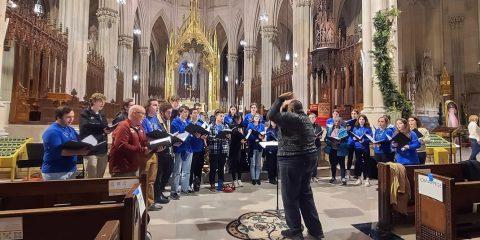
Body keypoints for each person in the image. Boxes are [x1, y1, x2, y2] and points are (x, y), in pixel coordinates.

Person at [267, 92, 324, 240]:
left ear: (291, 110)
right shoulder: (305, 118)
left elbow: (272, 114)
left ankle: (295, 230)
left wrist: (280, 99)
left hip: (292, 160)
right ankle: (316, 230)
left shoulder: (291, 118)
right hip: (308, 158)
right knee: (305, 195)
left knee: (290, 196)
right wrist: (287, 106)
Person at [42, 106, 88, 180]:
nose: (71, 119)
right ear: (58, 117)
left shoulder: (70, 129)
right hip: (56, 171)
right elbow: (59, 152)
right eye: (68, 117)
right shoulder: (52, 131)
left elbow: (79, 141)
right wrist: (80, 152)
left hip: (70, 170)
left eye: (73, 117)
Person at [109, 105, 149, 177]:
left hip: (135, 166)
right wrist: (141, 149)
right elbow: (121, 145)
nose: (144, 116)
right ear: (134, 113)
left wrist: (153, 147)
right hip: (123, 168)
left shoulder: (139, 127)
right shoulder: (123, 126)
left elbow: (144, 142)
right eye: (142, 113)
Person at [140, 98, 165, 210]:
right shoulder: (144, 119)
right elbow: (144, 135)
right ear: (148, 106)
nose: (157, 107)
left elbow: (160, 132)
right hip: (146, 153)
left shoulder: (155, 119)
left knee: (151, 180)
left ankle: (150, 202)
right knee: (144, 179)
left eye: (157, 105)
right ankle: (142, 203)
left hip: (155, 152)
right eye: (154, 105)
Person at [79, 93, 109, 179]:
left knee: (100, 177)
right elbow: (85, 127)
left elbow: (105, 127)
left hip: (102, 149)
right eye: (100, 101)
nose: (102, 103)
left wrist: (107, 130)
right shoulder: (85, 113)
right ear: (93, 102)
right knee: (91, 177)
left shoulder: (102, 114)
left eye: (104, 101)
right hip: (91, 150)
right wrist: (101, 128)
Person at [170, 106, 193, 199]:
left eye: (187, 112)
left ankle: (185, 188)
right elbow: (174, 135)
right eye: (184, 112)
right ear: (180, 112)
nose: (186, 114)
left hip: (188, 148)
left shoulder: (188, 122)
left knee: (186, 171)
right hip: (179, 149)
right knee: (177, 171)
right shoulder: (175, 122)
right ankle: (174, 191)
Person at [155, 101, 174, 202]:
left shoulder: (167, 120)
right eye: (168, 112)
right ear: (162, 112)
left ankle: (161, 191)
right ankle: (157, 195)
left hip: (168, 150)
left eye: (171, 112)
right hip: (160, 151)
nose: (170, 115)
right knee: (159, 174)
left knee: (168, 170)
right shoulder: (157, 121)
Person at [207, 110, 230, 191]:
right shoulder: (211, 126)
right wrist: (216, 137)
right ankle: (212, 184)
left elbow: (229, 137)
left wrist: (228, 136)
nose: (222, 117)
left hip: (223, 149)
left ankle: (220, 183)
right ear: (216, 116)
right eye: (220, 116)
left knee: (221, 167)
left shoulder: (225, 126)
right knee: (213, 168)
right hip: (214, 149)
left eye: (223, 116)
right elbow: (209, 137)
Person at [325, 117, 349, 185]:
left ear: (341, 122)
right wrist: (330, 141)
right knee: (333, 164)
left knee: (342, 164)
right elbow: (326, 139)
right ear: (333, 122)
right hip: (332, 149)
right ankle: (333, 177)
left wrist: (340, 143)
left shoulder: (343, 130)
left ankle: (343, 178)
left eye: (339, 121)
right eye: (336, 121)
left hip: (340, 149)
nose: (337, 122)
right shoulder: (330, 129)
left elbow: (346, 141)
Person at [352, 115, 373, 187]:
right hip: (357, 147)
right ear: (358, 120)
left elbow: (370, 138)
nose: (361, 120)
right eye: (360, 119)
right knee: (358, 162)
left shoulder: (368, 128)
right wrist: (354, 139)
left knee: (367, 162)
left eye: (363, 119)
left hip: (365, 147)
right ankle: (358, 178)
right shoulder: (355, 128)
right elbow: (353, 136)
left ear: (365, 120)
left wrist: (365, 140)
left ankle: (367, 179)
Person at [189, 107, 207, 192]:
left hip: (200, 148)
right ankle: (189, 185)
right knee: (191, 168)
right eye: (194, 113)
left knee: (199, 168)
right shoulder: (188, 123)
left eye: (197, 113)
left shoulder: (202, 123)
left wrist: (204, 136)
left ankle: (197, 184)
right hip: (191, 149)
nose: (196, 114)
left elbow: (207, 134)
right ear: (191, 114)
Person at [247, 113, 265, 185]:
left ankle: (257, 178)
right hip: (252, 145)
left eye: (258, 117)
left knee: (258, 163)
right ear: (253, 118)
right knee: (253, 163)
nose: (257, 117)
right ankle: (253, 179)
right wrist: (255, 138)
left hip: (259, 146)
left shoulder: (262, 125)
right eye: (255, 116)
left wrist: (261, 137)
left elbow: (263, 135)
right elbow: (248, 135)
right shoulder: (250, 125)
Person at [229, 114, 247, 187]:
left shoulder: (242, 127)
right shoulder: (232, 126)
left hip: (241, 148)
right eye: (238, 119)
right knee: (234, 164)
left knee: (240, 164)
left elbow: (244, 136)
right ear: (235, 119)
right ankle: (234, 180)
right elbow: (234, 137)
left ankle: (239, 179)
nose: (239, 120)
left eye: (240, 119)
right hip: (234, 148)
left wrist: (244, 139)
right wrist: (241, 140)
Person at [309, 113, 323, 182]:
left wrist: (319, 136)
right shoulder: (306, 126)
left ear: (315, 118)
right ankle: (310, 176)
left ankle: (314, 176)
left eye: (313, 117)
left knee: (316, 162)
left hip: (317, 145)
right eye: (310, 117)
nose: (311, 119)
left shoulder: (318, 126)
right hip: (309, 146)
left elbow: (320, 134)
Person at [346, 109, 359, 179]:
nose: (353, 115)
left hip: (357, 142)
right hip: (350, 142)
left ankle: (357, 174)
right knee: (350, 157)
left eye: (355, 113)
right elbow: (347, 132)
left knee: (357, 158)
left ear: (357, 114)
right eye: (352, 113)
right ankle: (348, 173)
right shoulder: (349, 122)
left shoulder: (359, 122)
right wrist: (347, 129)